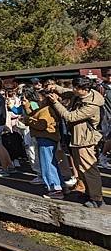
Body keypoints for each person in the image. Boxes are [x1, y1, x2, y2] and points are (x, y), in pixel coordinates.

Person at [47, 77, 105, 208]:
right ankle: (88, 192)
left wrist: (56, 102)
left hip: (85, 139)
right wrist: (55, 87)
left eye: (76, 88)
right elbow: (66, 92)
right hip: (77, 137)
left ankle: (96, 198)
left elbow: (70, 117)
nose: (73, 90)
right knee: (80, 168)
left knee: (89, 169)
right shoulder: (80, 94)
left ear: (85, 90)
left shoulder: (92, 104)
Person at [23, 89, 65, 199]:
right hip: (48, 138)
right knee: (52, 162)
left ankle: (55, 188)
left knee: (47, 164)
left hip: (46, 138)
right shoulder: (45, 109)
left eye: (39, 98)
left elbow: (42, 125)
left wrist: (29, 121)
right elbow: (33, 114)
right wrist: (27, 107)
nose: (37, 100)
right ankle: (61, 185)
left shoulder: (46, 110)